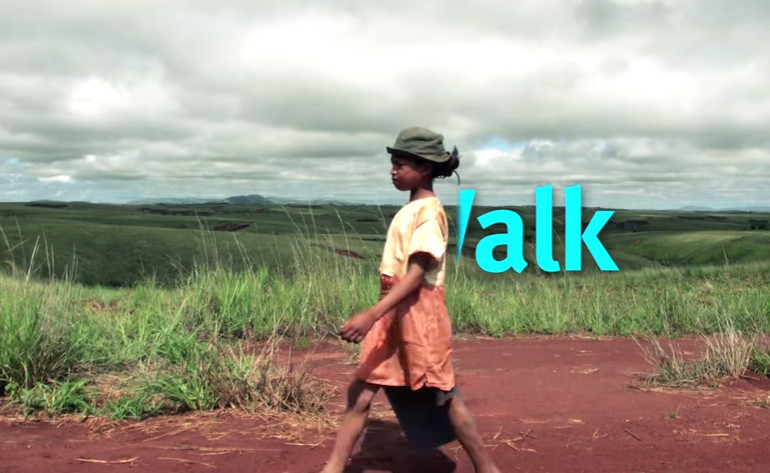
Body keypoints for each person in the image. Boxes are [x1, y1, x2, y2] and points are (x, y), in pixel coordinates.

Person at [320, 127, 501, 473]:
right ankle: (334, 467)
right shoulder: (413, 208)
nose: (393, 171)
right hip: (394, 312)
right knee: (361, 392)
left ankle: (487, 468)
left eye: (400, 164)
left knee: (443, 396)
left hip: (419, 315)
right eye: (393, 164)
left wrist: (372, 314)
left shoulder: (429, 214)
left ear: (425, 167)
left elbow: (417, 274)